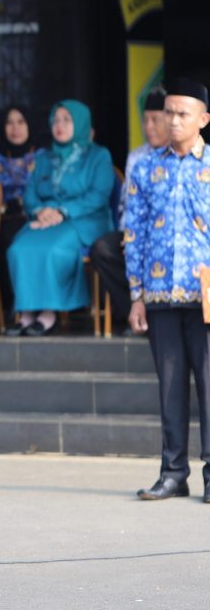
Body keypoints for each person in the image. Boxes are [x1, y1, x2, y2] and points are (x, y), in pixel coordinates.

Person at [125, 78, 210, 502]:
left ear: (204, 119)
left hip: (206, 299)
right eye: (168, 113)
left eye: (182, 113)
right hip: (158, 295)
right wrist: (136, 294)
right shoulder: (145, 167)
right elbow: (133, 232)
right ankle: (173, 472)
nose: (173, 121)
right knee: (170, 388)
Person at [6, 100, 113, 336]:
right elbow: (30, 194)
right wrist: (39, 211)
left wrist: (63, 212)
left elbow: (98, 196)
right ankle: (26, 313)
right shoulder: (45, 157)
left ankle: (48, 312)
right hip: (44, 219)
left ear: (81, 123)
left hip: (84, 220)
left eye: (67, 120)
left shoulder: (98, 156)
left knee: (53, 249)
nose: (59, 125)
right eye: (56, 120)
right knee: (18, 248)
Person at [89, 90, 168, 335]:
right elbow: (127, 204)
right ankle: (137, 316)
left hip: (166, 235)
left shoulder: (188, 157)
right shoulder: (137, 156)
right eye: (145, 120)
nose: (149, 127)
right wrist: (128, 234)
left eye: (155, 119)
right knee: (103, 249)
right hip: (136, 232)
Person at [0, 105, 40, 315]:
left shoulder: (43, 158)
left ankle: (38, 305)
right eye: (9, 122)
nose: (15, 128)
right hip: (5, 221)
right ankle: (14, 307)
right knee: (6, 240)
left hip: (39, 218)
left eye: (21, 122)